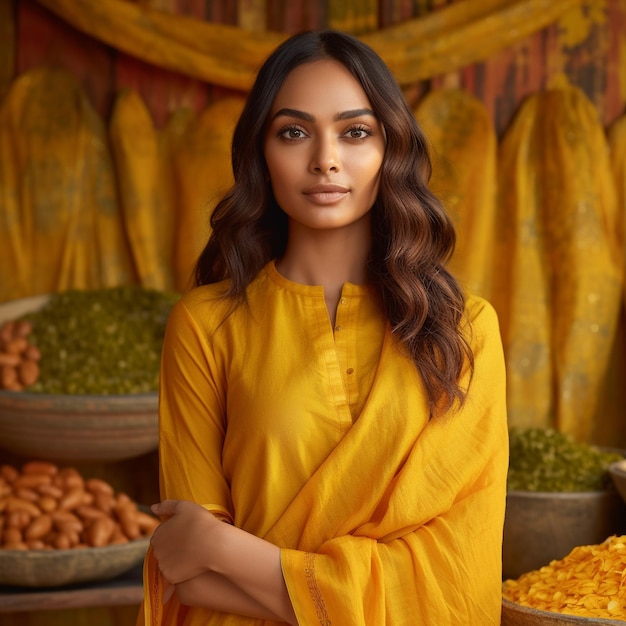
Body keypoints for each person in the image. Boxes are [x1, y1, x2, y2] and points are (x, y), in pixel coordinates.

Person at [138, 29, 508, 626]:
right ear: (261, 152)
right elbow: (191, 574)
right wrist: (336, 588)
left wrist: (229, 548)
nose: (325, 159)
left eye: (355, 132)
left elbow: (457, 579)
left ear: (390, 149)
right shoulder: (206, 325)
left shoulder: (464, 330)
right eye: (294, 132)